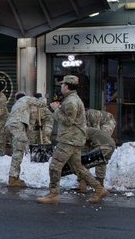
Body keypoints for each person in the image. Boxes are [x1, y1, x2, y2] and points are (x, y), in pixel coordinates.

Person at [37, 75, 109, 205]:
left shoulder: (71, 102)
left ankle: (53, 194)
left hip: (69, 140)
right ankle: (99, 188)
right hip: (74, 139)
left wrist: (56, 110)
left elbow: (68, 121)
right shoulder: (72, 99)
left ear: (66, 86)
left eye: (62, 85)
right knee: (78, 167)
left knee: (55, 166)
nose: (61, 87)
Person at [4, 93, 51, 188]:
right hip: (17, 126)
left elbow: (31, 123)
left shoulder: (18, 105)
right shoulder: (28, 98)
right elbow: (41, 103)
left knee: (17, 152)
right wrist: (45, 99)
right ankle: (12, 179)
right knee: (18, 153)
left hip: (9, 127)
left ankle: (15, 176)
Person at [77, 108, 117, 191]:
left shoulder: (92, 114)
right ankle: (85, 181)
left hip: (107, 122)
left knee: (99, 152)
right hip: (94, 133)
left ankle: (99, 181)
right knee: (87, 153)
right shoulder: (80, 122)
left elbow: (96, 132)